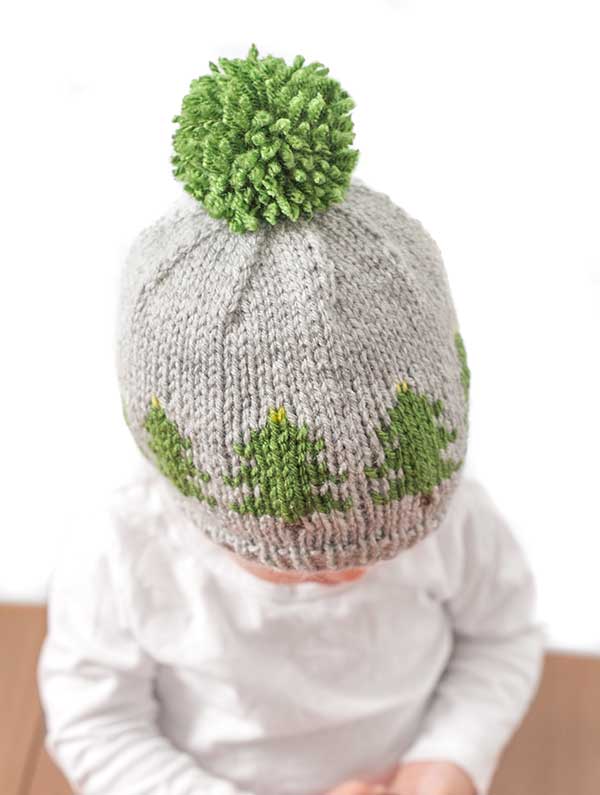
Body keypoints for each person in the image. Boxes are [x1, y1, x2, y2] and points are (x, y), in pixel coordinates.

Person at [37, 45, 545, 795]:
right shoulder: (127, 555)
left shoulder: (454, 516)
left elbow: (501, 636)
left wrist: (448, 760)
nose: (348, 570)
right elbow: (94, 725)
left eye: (389, 540)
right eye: (293, 559)